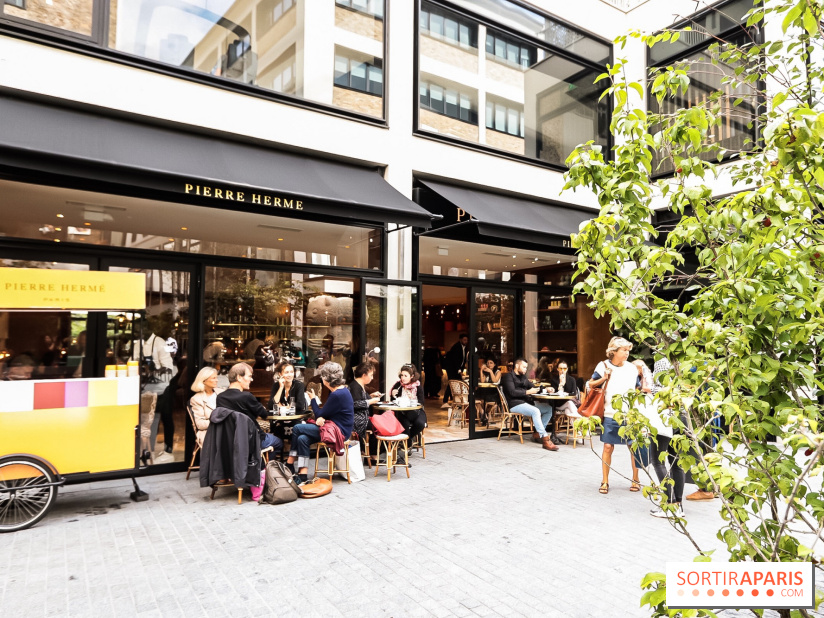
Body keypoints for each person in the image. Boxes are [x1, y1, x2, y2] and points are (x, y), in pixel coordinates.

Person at [589, 337, 642, 495]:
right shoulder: (603, 365)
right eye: (624, 350)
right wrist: (604, 378)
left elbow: (637, 389)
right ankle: (605, 481)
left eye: (628, 350)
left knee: (633, 446)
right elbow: (590, 384)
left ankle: (636, 479)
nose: (627, 353)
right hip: (609, 412)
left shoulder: (632, 368)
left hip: (629, 414)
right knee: (607, 446)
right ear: (614, 351)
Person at [286, 362, 354, 483]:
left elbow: (319, 414)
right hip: (335, 428)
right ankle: (303, 475)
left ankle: (289, 464)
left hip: (338, 433)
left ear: (326, 379)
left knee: (297, 428)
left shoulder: (337, 394)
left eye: (322, 376)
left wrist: (313, 399)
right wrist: (322, 417)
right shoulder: (343, 390)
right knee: (302, 438)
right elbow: (325, 414)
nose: (321, 379)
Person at [645, 357, 686, 518]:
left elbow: (662, 390)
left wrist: (649, 388)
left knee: (658, 460)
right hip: (681, 415)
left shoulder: (662, 361)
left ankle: (669, 504)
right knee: (676, 462)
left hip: (664, 415)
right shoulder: (684, 361)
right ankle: (678, 505)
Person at [216, 362, 282, 454]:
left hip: (230, 441)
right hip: (252, 439)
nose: (251, 379)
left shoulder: (220, 397)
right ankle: (262, 467)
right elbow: (264, 415)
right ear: (239, 377)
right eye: (249, 376)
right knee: (278, 442)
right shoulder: (246, 397)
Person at [501, 358, 558, 451]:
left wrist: (546, 389)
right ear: (517, 366)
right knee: (535, 411)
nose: (525, 369)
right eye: (524, 367)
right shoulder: (508, 377)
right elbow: (512, 392)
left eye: (526, 367)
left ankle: (537, 434)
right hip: (515, 404)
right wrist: (527, 392)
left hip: (527, 403)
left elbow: (533, 387)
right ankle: (545, 439)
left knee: (548, 409)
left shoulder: (523, 377)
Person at [389, 364, 427, 460]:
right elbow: (393, 400)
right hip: (403, 412)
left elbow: (421, 402)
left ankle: (408, 439)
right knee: (404, 423)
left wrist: (413, 399)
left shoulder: (417, 386)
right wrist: (393, 395)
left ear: (412, 376)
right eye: (402, 375)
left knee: (420, 423)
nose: (403, 378)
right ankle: (406, 446)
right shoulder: (398, 385)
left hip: (416, 411)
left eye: (405, 376)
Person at [189, 367, 224, 445]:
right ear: (204, 380)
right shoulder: (196, 399)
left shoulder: (222, 392)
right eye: (214, 378)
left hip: (225, 429)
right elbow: (200, 424)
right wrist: (220, 421)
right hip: (209, 432)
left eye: (216, 378)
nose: (217, 380)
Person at [349, 361, 381, 441]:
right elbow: (354, 404)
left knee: (380, 424)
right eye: (371, 375)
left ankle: (376, 450)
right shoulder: (355, 387)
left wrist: (371, 396)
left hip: (363, 418)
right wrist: (371, 401)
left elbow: (361, 398)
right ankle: (375, 451)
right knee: (379, 426)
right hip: (358, 420)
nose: (372, 378)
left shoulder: (359, 385)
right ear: (364, 375)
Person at [443, 333, 469, 405]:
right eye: (464, 340)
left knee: (455, 383)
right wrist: (459, 370)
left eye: (467, 340)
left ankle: (455, 400)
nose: (466, 341)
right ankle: (445, 401)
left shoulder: (465, 348)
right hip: (452, 368)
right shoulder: (456, 347)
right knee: (452, 383)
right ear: (460, 340)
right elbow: (455, 360)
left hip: (457, 369)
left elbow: (463, 360)